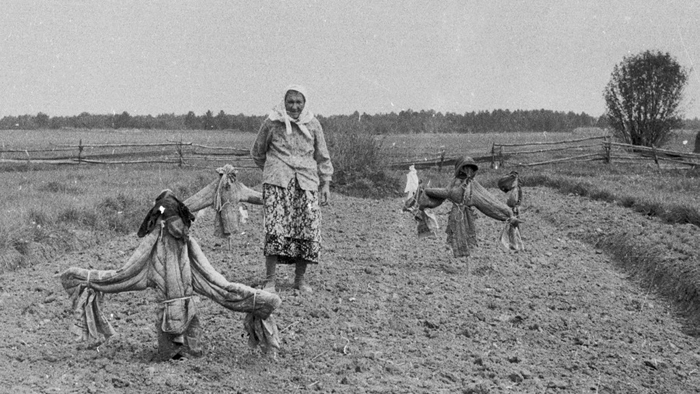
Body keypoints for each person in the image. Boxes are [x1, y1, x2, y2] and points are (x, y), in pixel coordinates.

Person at [251, 85, 333, 293]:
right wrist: (273, 169)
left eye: (299, 102)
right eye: (290, 102)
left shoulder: (313, 124)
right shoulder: (272, 122)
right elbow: (257, 151)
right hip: (278, 184)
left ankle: (300, 279)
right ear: (284, 102)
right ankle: (270, 280)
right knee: (275, 229)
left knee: (306, 228)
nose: (294, 106)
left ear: (305, 103)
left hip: (306, 183)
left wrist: (325, 183)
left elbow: (322, 156)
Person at [415, 156, 523, 259]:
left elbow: (488, 202)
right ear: (459, 169)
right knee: (457, 238)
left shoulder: (472, 186)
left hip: (465, 215)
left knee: (466, 238)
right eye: (464, 168)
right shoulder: (454, 182)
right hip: (456, 214)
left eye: (469, 169)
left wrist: (507, 214)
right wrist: (427, 191)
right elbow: (446, 193)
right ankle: (463, 262)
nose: (467, 171)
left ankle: (467, 263)